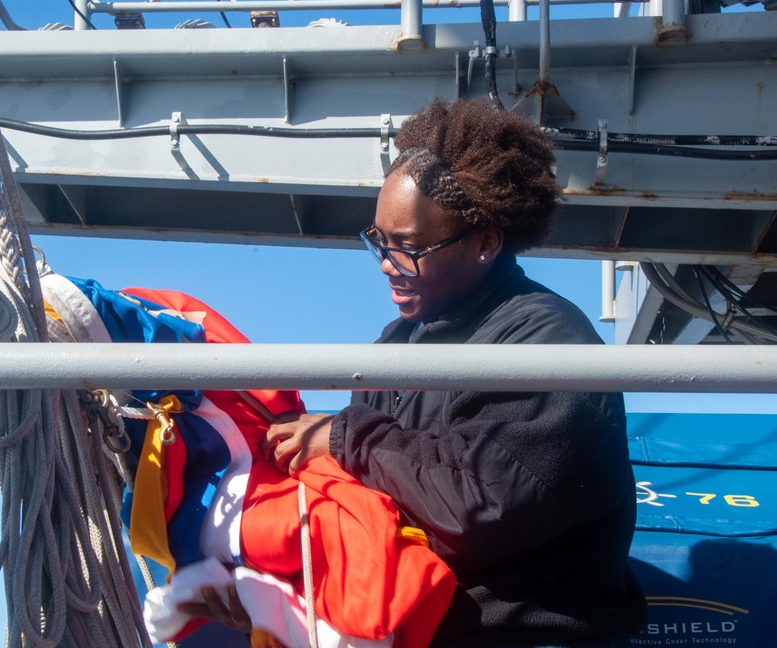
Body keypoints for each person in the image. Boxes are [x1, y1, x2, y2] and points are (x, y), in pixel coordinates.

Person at [263, 97, 647, 648]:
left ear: (486, 243)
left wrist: (344, 437)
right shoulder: (399, 342)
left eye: (410, 248)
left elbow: (477, 507)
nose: (387, 265)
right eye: (379, 241)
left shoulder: (546, 336)